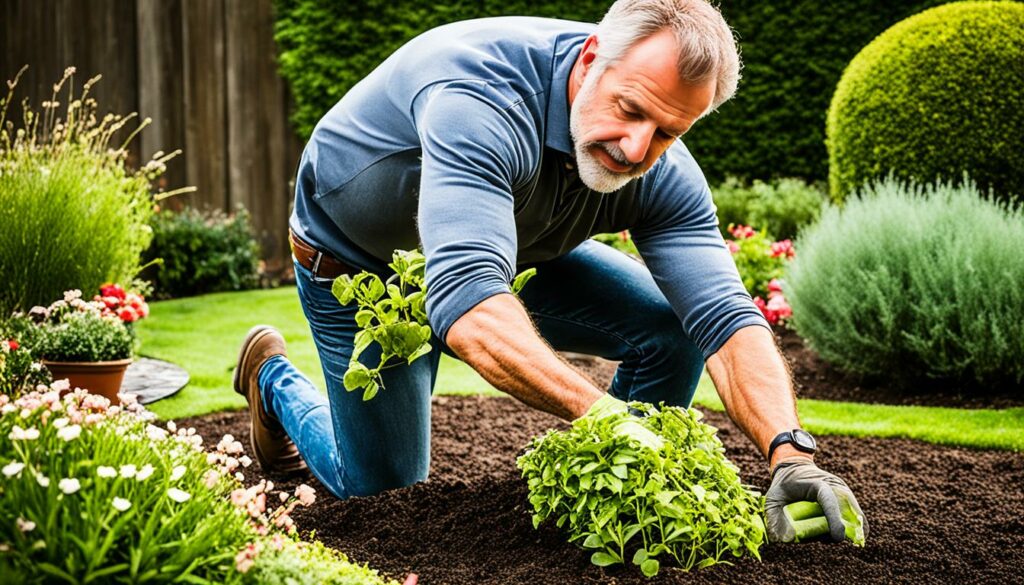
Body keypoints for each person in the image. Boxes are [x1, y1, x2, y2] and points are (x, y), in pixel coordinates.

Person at [234, 0, 866, 545]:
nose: (636, 149)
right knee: (380, 492)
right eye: (630, 109)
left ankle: (619, 501)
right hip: (361, 265)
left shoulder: (657, 168)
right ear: (590, 59)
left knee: (670, 330)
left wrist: (790, 452)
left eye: (669, 132)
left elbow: (725, 318)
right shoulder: (478, 99)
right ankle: (272, 380)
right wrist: (605, 418)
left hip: (510, 255)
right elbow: (471, 308)